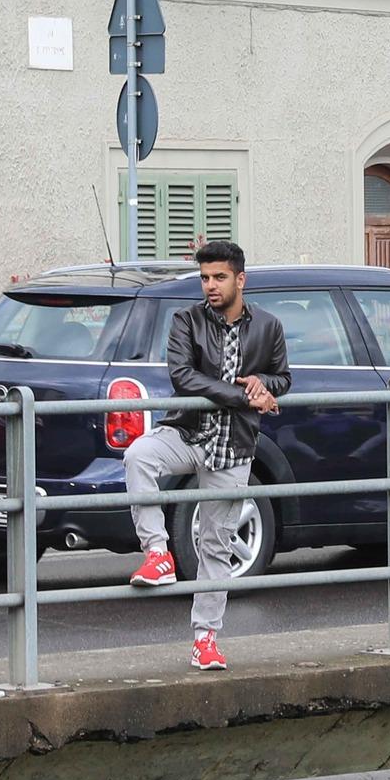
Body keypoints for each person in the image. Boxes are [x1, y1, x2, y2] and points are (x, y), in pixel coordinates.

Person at [123, 240, 290, 671]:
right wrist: (242, 396)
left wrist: (263, 385)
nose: (210, 286)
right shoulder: (186, 321)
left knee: (216, 546)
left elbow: (284, 377)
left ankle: (206, 640)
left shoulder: (268, 326)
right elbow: (183, 377)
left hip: (234, 447)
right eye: (204, 278)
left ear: (240, 279)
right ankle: (158, 554)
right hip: (188, 432)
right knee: (139, 455)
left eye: (219, 277)